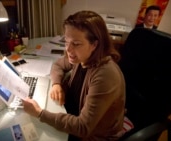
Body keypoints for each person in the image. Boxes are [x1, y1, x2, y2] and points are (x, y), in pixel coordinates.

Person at [22, 10, 126, 141]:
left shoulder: (105, 75)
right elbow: (58, 65)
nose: (68, 49)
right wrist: (56, 84)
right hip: (72, 114)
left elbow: (83, 127)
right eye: (66, 41)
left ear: (94, 44)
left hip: (93, 136)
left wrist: (40, 114)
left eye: (76, 44)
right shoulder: (82, 57)